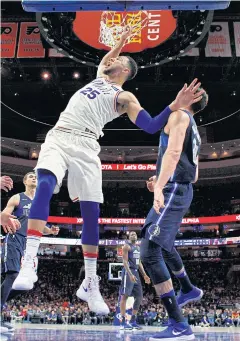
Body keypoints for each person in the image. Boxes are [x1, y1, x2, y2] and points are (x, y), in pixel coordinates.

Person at [12, 25, 204, 315]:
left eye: (119, 58)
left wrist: (173, 105)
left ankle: (90, 283)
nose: (111, 59)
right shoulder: (101, 75)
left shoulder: (126, 98)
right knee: (45, 183)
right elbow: (105, 60)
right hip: (61, 135)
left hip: (88, 145)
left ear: (125, 70)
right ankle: (29, 262)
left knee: (92, 214)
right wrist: (121, 41)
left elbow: (152, 126)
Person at [140, 89, 208, 340]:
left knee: (149, 251)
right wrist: (160, 179)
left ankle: (179, 324)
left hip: (174, 189)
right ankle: (188, 289)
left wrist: (160, 186)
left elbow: (174, 153)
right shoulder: (195, 128)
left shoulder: (179, 116)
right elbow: (195, 174)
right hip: (180, 188)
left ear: (193, 99)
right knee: (162, 245)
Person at [1, 172, 59, 332]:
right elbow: (5, 213)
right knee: (11, 275)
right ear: (25, 181)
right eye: (31, 176)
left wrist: (51, 231)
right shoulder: (17, 198)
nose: (34, 178)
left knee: (25, 285)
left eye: (36, 177)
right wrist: (6, 216)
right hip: (14, 239)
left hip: (29, 247)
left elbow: (41, 226)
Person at [118, 231, 150, 330]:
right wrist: (130, 274)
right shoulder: (126, 246)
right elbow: (125, 261)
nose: (133, 235)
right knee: (124, 296)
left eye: (135, 234)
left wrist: (144, 275)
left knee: (139, 296)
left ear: (137, 237)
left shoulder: (138, 248)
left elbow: (139, 262)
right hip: (128, 272)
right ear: (129, 237)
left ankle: (132, 321)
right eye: (131, 234)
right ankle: (123, 322)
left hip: (135, 272)